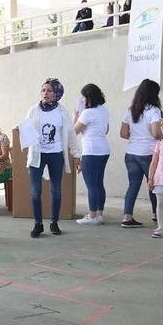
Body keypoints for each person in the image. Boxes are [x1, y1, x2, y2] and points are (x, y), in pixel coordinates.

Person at [25, 78, 81, 238]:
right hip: (37, 154)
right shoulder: (33, 110)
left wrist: (76, 155)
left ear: (57, 93)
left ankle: (54, 222)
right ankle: (38, 224)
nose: (45, 93)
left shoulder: (62, 112)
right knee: (35, 191)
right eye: (43, 90)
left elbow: (71, 135)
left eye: (49, 90)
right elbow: (27, 130)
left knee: (56, 190)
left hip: (56, 154)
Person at [120, 78, 163, 228]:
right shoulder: (154, 110)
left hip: (131, 153)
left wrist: (136, 137)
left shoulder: (131, 110)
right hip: (149, 153)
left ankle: (127, 217)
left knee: (133, 184)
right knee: (153, 183)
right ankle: (156, 213)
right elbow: (155, 133)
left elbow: (123, 133)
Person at [74, 83, 110, 225]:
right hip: (104, 149)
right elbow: (106, 130)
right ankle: (100, 214)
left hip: (91, 150)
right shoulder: (104, 110)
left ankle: (92, 215)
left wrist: (76, 114)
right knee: (99, 183)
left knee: (91, 185)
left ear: (87, 98)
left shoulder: (87, 113)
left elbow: (74, 131)